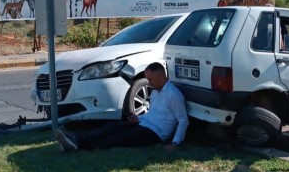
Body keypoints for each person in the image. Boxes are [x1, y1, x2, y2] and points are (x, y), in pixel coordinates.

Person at [55, 62, 189, 152]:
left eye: (151, 79)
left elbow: (183, 120)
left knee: (119, 138)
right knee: (112, 127)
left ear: (161, 76)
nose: (149, 83)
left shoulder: (173, 95)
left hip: (155, 132)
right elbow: (153, 113)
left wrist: (175, 143)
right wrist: (138, 117)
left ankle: (79, 146)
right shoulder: (155, 92)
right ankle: (77, 139)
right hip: (144, 123)